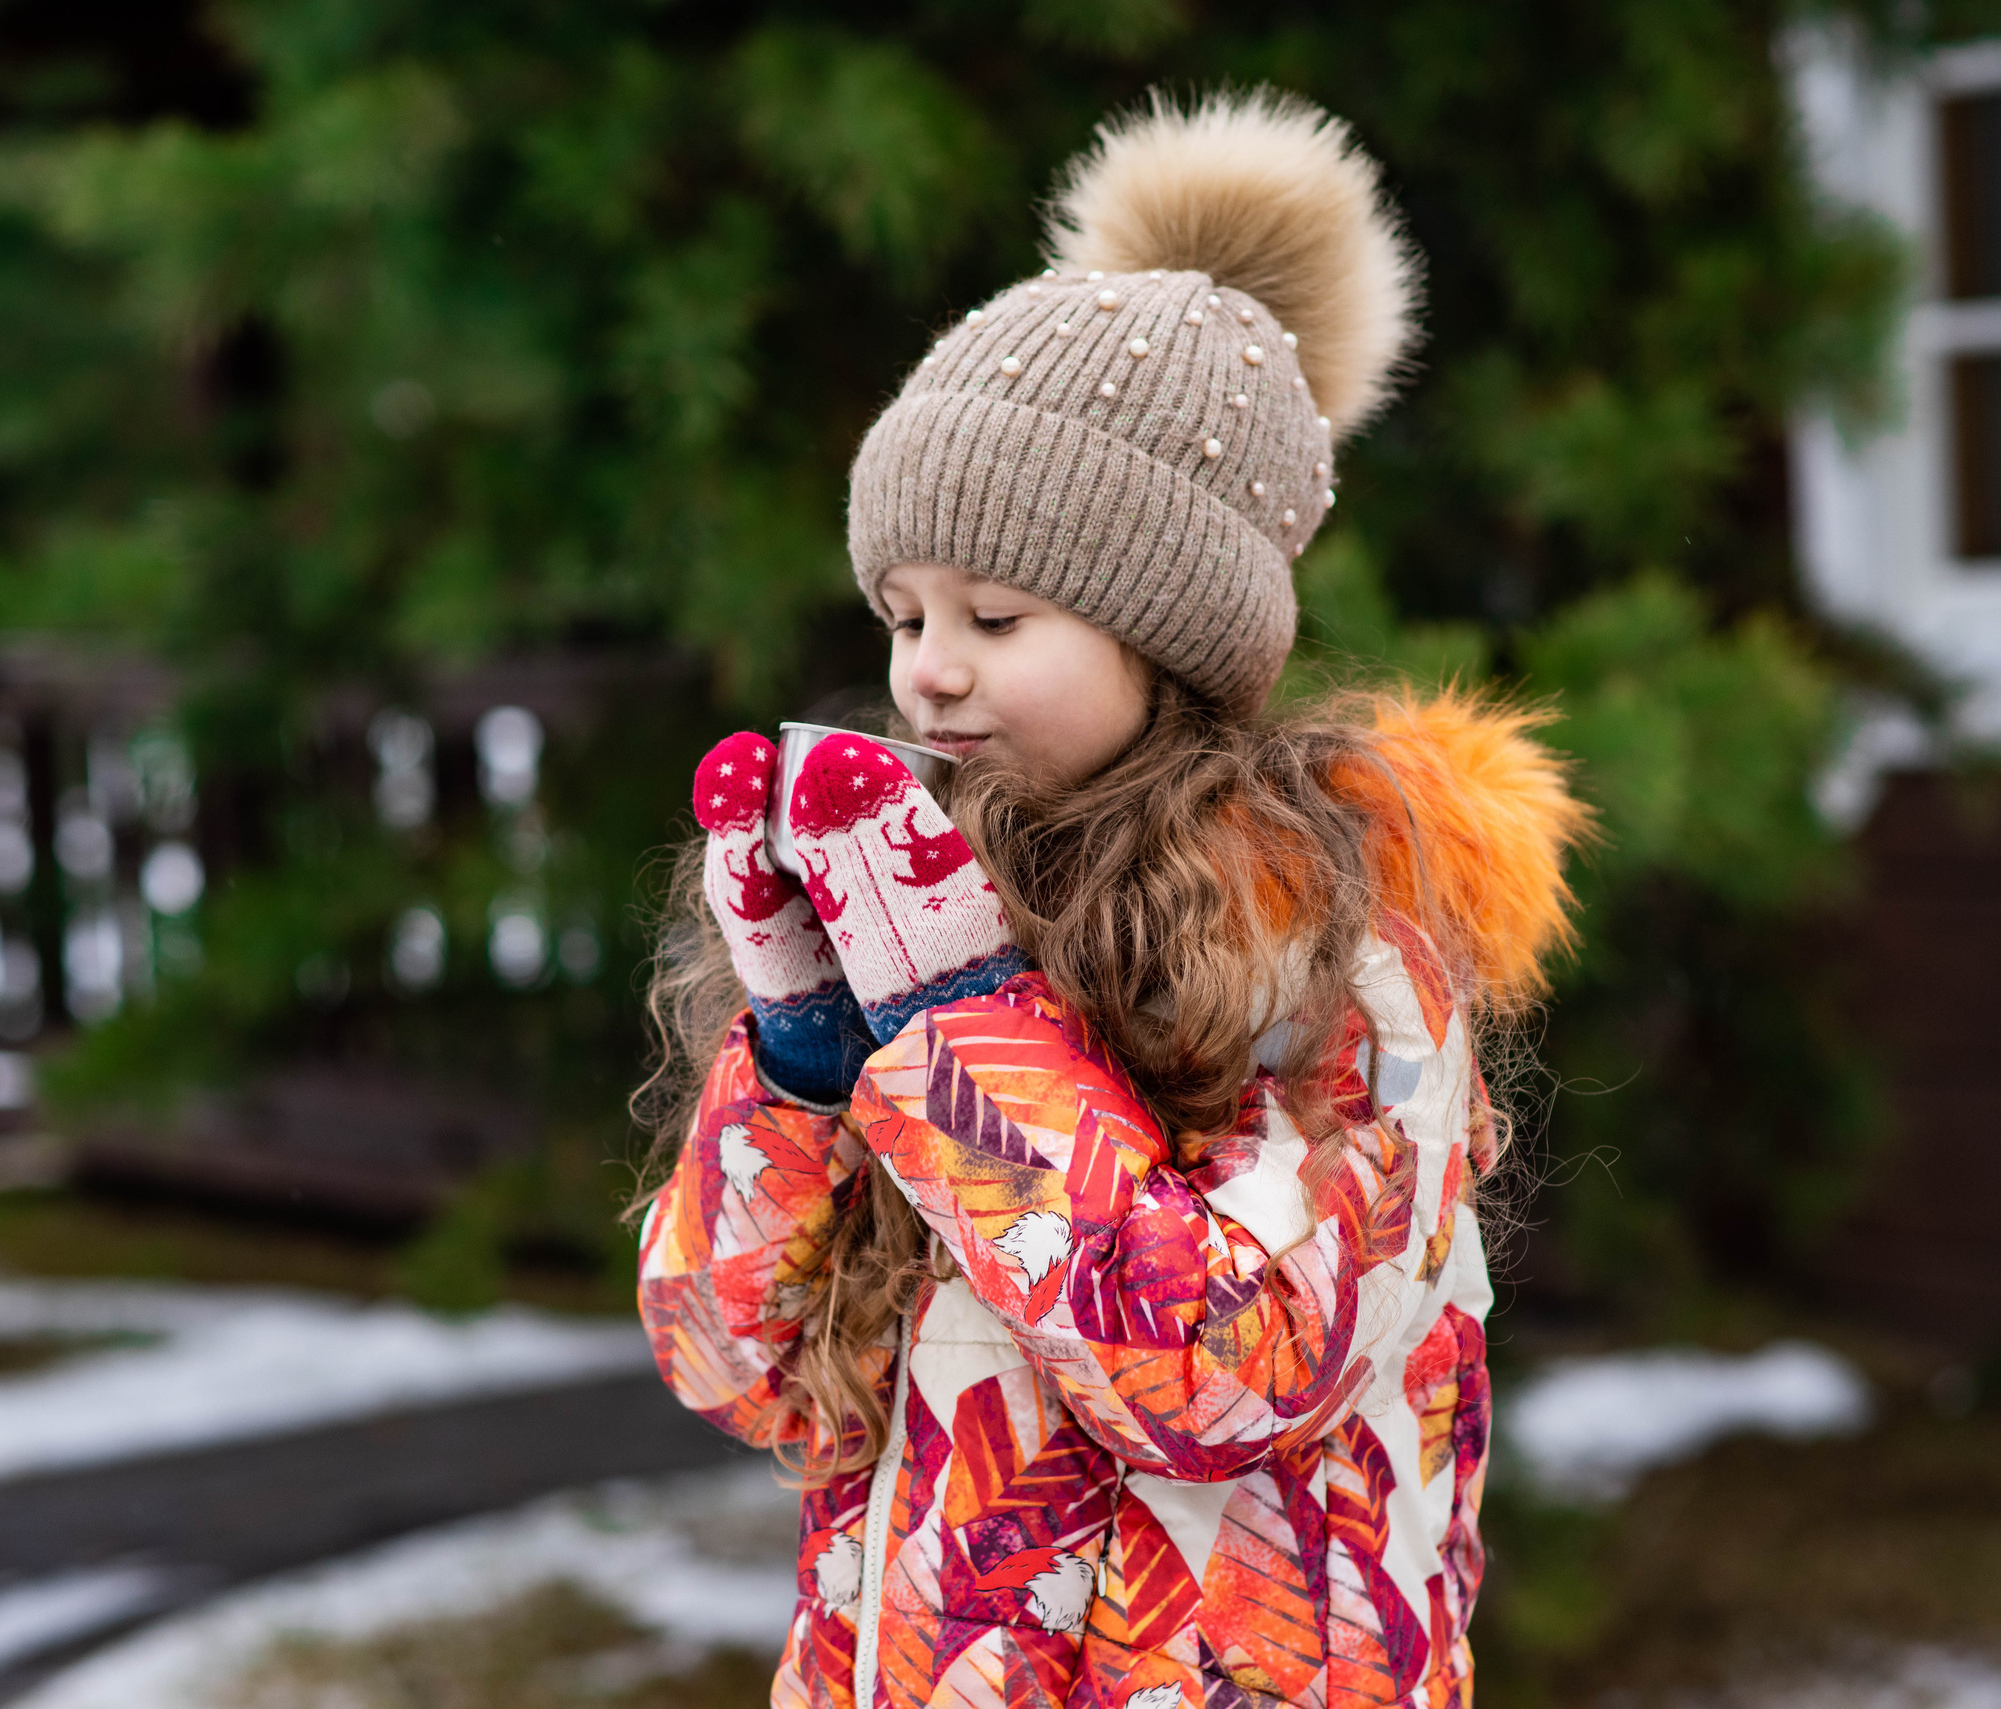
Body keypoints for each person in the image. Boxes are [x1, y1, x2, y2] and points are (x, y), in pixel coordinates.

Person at [634, 88, 1587, 1709]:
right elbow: (740, 1373)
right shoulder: (922, 907)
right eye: (904, 613)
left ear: (1171, 630)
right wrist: (796, 1061)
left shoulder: (1333, 954)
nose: (927, 673)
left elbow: (1223, 1376)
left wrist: (958, 1037)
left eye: (995, 618)